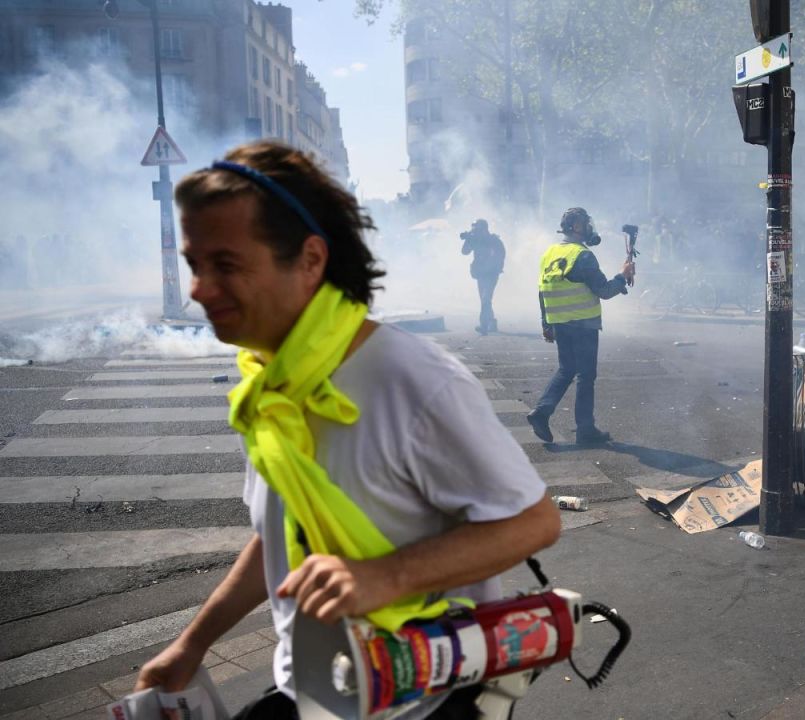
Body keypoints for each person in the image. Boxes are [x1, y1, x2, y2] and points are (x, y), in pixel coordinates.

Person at [134, 141, 560, 720]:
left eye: (226, 265)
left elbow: (534, 521)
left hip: (425, 701)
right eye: (195, 264)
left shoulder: (412, 380)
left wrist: (387, 576)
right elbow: (284, 533)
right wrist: (192, 643)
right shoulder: (270, 386)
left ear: (310, 260)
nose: (198, 289)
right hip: (314, 690)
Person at [526, 207, 634, 446]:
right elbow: (604, 291)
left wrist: (546, 322)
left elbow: (542, 290)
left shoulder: (550, 252)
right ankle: (585, 430)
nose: (589, 228)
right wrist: (622, 276)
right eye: (585, 223)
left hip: (560, 322)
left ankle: (541, 413)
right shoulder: (582, 255)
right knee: (586, 375)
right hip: (583, 323)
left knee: (566, 370)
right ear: (576, 226)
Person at [460, 218, 506, 335]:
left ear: (485, 229)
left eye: (478, 229)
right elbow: (465, 252)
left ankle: (483, 325)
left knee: (485, 299)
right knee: (485, 300)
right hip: (481, 274)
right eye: (474, 229)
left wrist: (493, 266)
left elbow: (501, 255)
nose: (475, 231)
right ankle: (492, 321)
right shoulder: (475, 240)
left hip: (491, 274)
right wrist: (469, 240)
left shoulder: (493, 240)